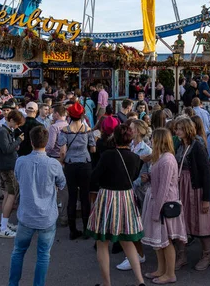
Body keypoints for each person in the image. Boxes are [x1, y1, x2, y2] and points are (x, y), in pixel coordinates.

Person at [87, 124, 145, 286]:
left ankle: (107, 284)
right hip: (126, 197)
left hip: (107, 197)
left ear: (115, 137)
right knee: (127, 240)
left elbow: (95, 176)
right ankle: (140, 281)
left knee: (102, 242)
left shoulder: (108, 155)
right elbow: (133, 177)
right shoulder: (135, 158)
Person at [8, 126, 66, 286]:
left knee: (18, 252)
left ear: (31, 142)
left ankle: (13, 283)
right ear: (47, 143)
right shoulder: (54, 164)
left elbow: (18, 178)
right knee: (43, 255)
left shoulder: (21, 161)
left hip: (26, 215)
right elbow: (61, 183)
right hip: (46, 216)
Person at [141, 128, 187, 284]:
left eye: (153, 138)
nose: (151, 141)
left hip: (164, 204)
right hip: (158, 201)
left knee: (165, 241)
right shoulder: (162, 157)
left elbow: (164, 188)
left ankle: (170, 273)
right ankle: (161, 269)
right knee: (158, 240)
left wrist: (156, 210)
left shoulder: (167, 159)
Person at [173, 117, 210, 271]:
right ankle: (182, 255)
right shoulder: (179, 145)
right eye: (177, 129)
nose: (177, 132)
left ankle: (207, 255)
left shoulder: (197, 146)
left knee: (202, 221)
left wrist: (205, 199)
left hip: (195, 187)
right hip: (181, 187)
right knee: (181, 221)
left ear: (188, 130)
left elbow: (206, 173)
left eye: (180, 129)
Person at [116, 119, 152, 271]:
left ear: (136, 131)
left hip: (138, 190)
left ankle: (136, 255)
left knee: (133, 224)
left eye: (130, 128)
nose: (128, 131)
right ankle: (135, 254)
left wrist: (141, 180)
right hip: (129, 188)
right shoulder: (129, 147)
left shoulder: (146, 150)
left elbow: (150, 172)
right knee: (131, 223)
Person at [57, 102, 96, 239]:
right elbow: (93, 149)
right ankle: (86, 229)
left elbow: (62, 152)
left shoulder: (65, 131)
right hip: (85, 164)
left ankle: (72, 230)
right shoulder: (87, 129)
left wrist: (62, 161)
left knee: (72, 196)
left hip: (71, 164)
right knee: (85, 197)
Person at [0, 110, 25, 238]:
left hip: (6, 165)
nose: (17, 126)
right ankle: (3, 227)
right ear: (11, 120)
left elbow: (8, 147)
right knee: (12, 194)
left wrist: (15, 144)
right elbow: (7, 149)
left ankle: (4, 223)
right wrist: (18, 141)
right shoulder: (3, 132)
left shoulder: (6, 131)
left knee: (8, 194)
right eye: (17, 124)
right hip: (7, 166)